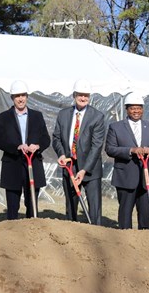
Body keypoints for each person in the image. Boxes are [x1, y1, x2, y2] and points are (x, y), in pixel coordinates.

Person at [105, 92, 149, 229]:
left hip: (147, 177)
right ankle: (125, 239)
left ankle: (145, 240)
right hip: (126, 176)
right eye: (133, 108)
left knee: (146, 212)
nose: (136, 111)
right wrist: (130, 150)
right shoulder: (116, 127)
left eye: (139, 108)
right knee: (125, 212)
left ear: (143, 109)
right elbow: (110, 148)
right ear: (127, 109)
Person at [0, 80, 51, 220]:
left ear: (27, 96)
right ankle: (14, 238)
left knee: (32, 205)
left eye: (23, 95)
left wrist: (37, 146)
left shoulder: (37, 116)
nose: (20, 99)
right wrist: (16, 147)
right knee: (13, 207)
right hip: (12, 165)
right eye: (17, 96)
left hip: (33, 164)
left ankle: (32, 235)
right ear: (12, 98)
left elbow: (46, 138)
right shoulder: (3, 117)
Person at [52, 79, 105, 225]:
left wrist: (84, 170)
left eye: (86, 95)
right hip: (70, 166)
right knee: (71, 206)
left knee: (94, 208)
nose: (83, 98)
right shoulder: (63, 114)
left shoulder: (97, 116)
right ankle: (72, 234)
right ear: (74, 95)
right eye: (80, 95)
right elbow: (56, 138)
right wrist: (61, 154)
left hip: (90, 169)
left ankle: (96, 235)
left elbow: (97, 146)